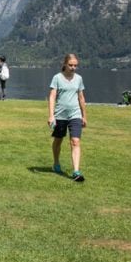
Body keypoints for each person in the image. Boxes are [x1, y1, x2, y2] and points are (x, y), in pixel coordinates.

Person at [48, 53, 87, 182]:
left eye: (75, 65)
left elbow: (81, 98)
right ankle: (56, 162)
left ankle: (76, 171)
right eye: (71, 65)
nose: (73, 68)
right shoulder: (57, 78)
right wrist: (51, 115)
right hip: (60, 116)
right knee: (58, 141)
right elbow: (52, 96)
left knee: (75, 141)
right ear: (65, 64)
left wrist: (84, 116)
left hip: (75, 114)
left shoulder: (79, 79)